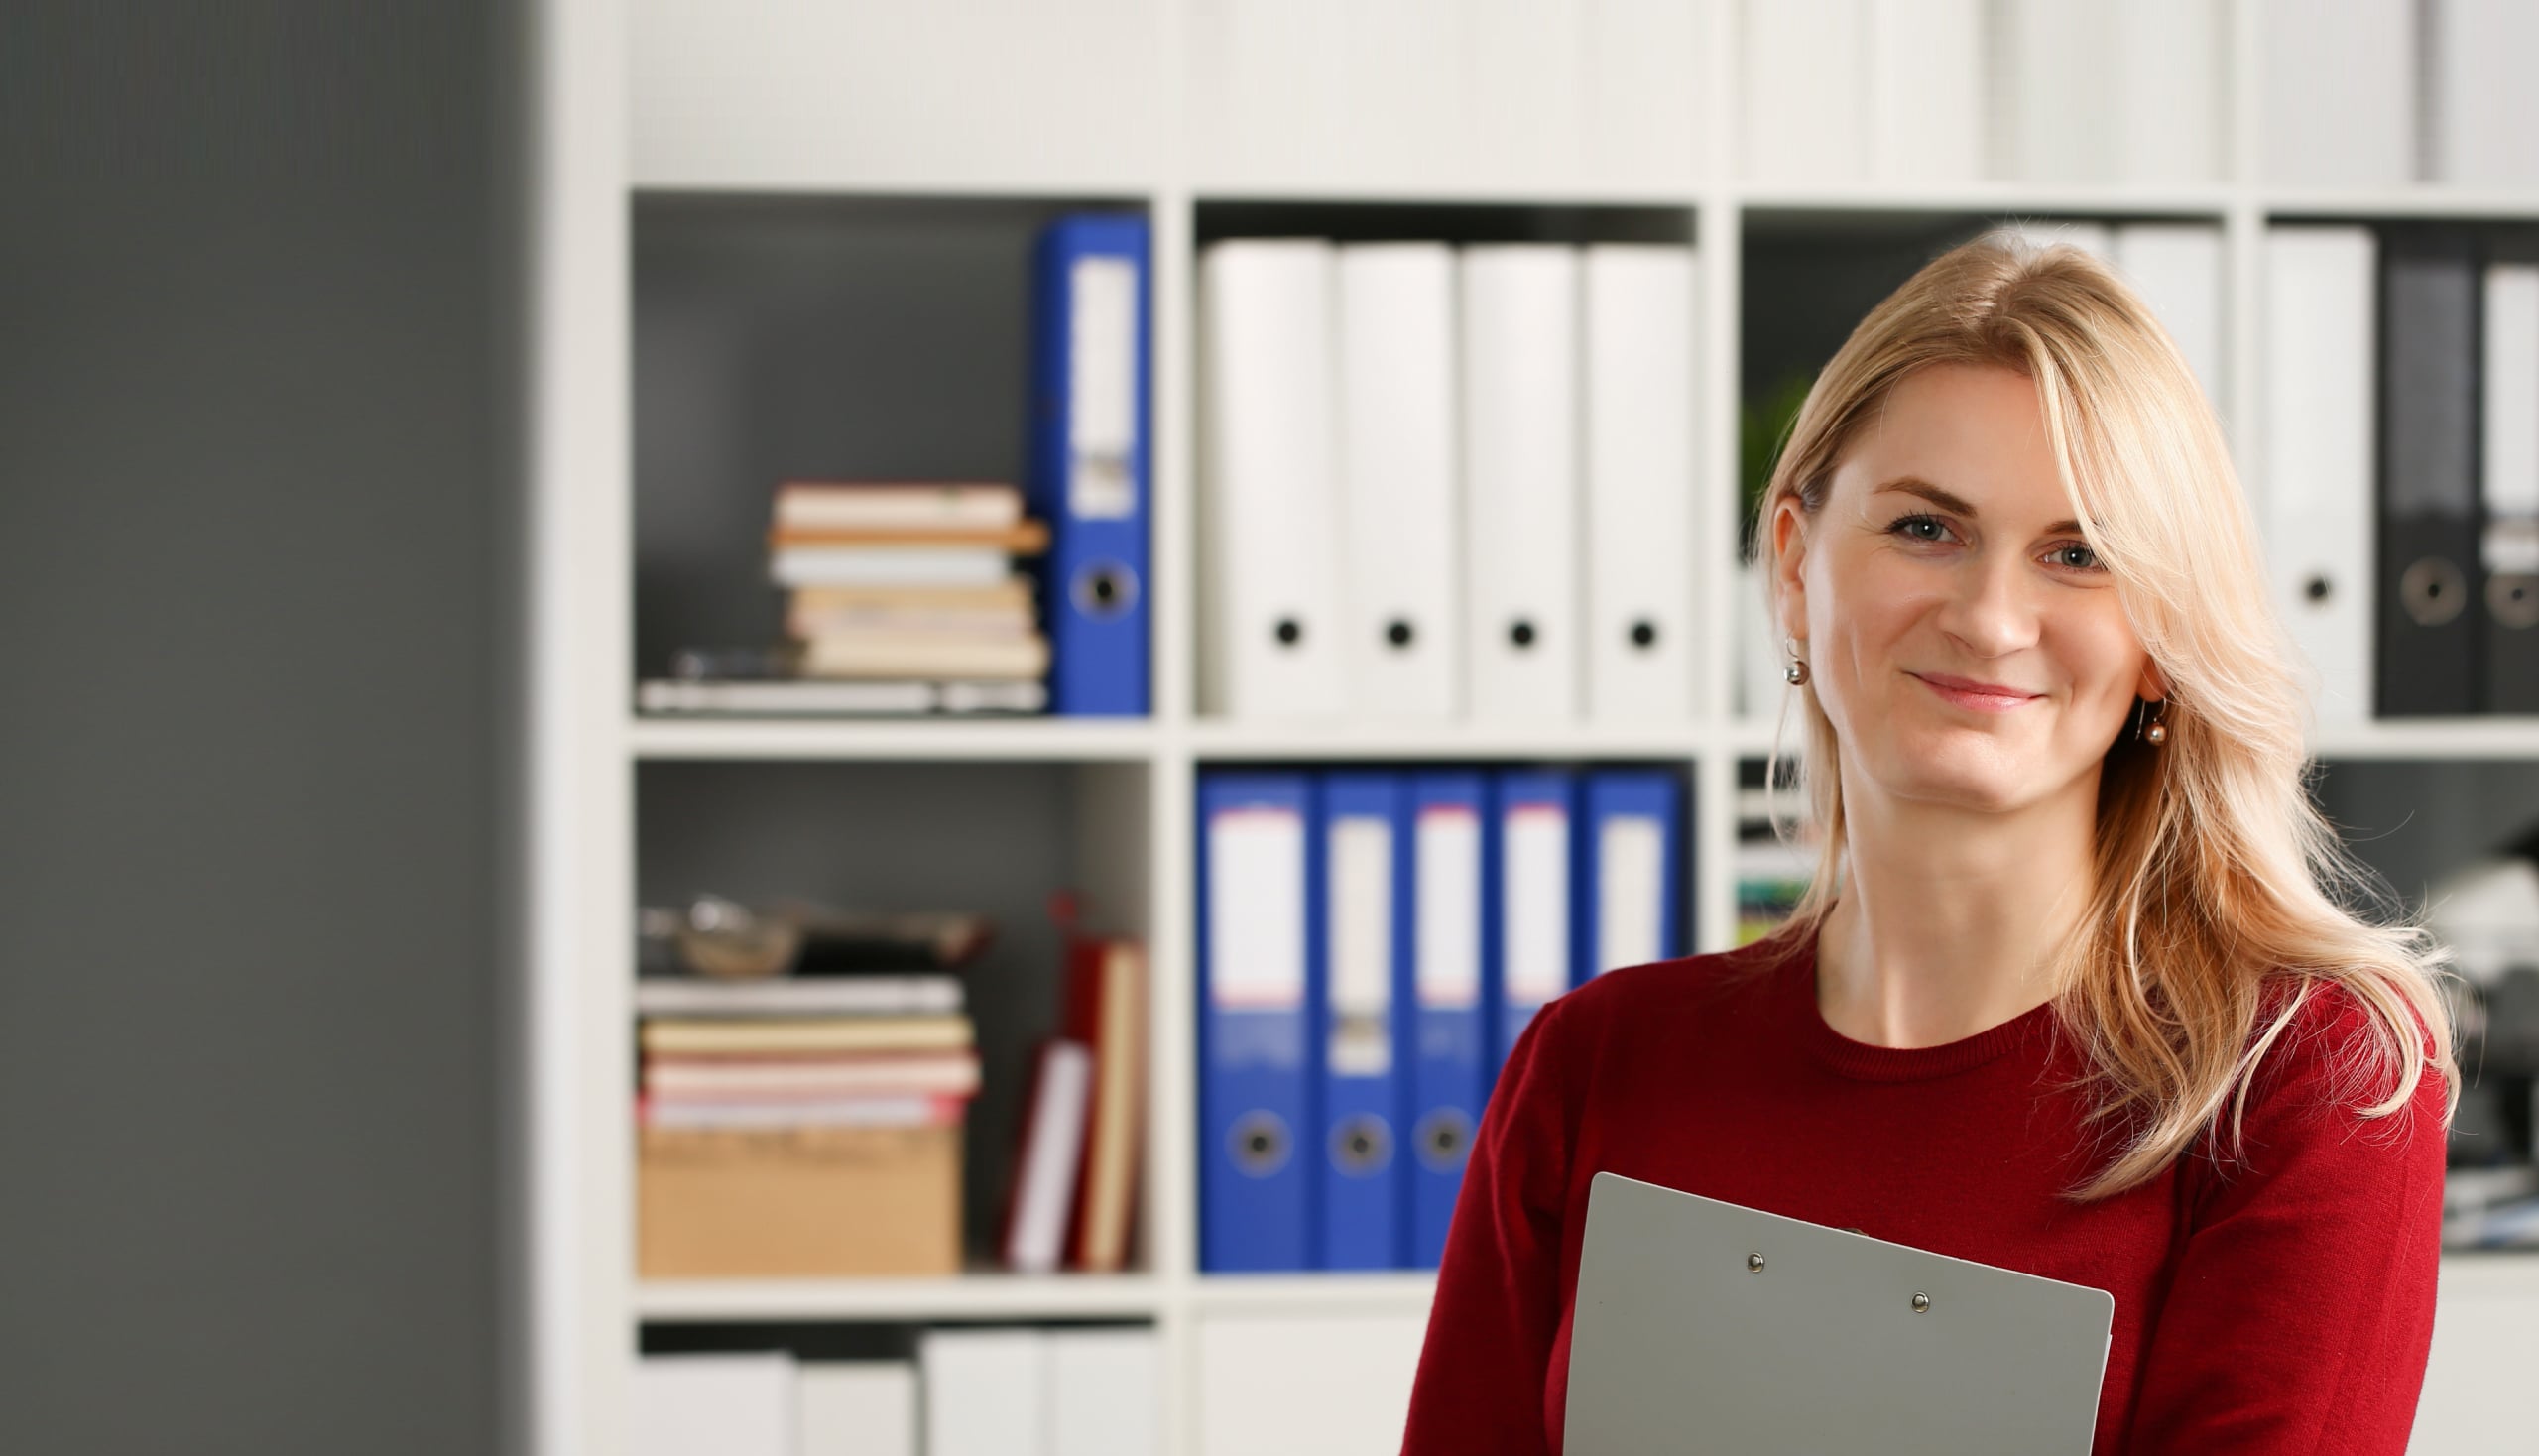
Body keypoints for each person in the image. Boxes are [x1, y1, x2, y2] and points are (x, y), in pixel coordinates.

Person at [1400, 233, 2458, 1455]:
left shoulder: (2306, 1077)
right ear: (1795, 566)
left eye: (2079, 555)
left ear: (2161, 633)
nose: (1991, 618)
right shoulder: (1596, 1065)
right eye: (1924, 528)